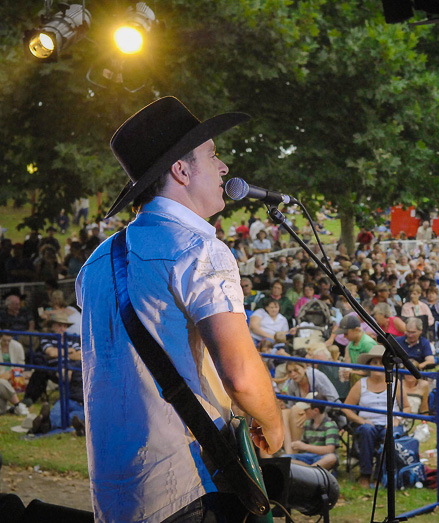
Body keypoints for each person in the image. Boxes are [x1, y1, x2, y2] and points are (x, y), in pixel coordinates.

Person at [76, 97, 283, 522]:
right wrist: (274, 422)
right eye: (212, 155)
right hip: (187, 482)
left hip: (118, 492)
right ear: (181, 170)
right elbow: (240, 376)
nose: (224, 167)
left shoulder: (95, 263)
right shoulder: (199, 250)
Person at [343, 345, 410, 488]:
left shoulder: (395, 384)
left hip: (390, 424)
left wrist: (397, 419)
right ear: (369, 365)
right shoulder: (360, 384)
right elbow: (346, 408)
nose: (379, 366)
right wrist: (361, 420)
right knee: (366, 431)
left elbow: (407, 408)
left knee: (389, 434)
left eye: (382, 362)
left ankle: (380, 476)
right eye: (375, 362)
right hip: (368, 423)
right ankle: (365, 474)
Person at [288, 393, 339, 471]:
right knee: (285, 458)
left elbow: (329, 450)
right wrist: (297, 445)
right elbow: (303, 445)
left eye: (306, 409)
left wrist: (304, 446)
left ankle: (308, 470)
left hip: (322, 458)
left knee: (331, 458)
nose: (304, 411)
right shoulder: (308, 423)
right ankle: (311, 470)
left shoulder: (330, 425)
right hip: (308, 457)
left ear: (316, 410)